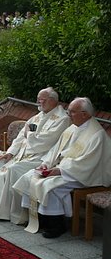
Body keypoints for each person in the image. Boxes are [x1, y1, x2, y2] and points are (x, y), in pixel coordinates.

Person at [13, 97, 111, 238]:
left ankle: (57, 225)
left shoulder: (97, 135)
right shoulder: (72, 128)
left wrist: (60, 170)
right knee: (31, 176)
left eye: (72, 112)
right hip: (66, 169)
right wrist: (46, 163)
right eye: (68, 111)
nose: (68, 114)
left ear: (85, 114)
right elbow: (55, 150)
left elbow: (88, 162)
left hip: (86, 174)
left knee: (51, 185)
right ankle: (40, 219)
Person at [0, 88, 70, 223]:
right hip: (22, 154)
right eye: (38, 98)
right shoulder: (38, 116)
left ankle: (10, 213)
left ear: (52, 100)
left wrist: (29, 134)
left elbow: (44, 143)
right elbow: (21, 136)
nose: (38, 101)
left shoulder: (62, 119)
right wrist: (10, 153)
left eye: (42, 99)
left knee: (13, 169)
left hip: (41, 158)